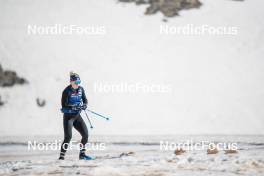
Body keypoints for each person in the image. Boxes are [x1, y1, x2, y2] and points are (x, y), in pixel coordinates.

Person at [59, 72, 92, 160]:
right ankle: (61, 157)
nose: (78, 84)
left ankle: (82, 155)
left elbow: (85, 100)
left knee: (85, 134)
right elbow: (64, 106)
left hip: (77, 116)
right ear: (71, 82)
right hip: (68, 118)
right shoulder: (66, 91)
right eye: (76, 82)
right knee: (68, 137)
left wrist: (85, 105)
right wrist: (73, 106)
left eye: (79, 82)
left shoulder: (81, 89)